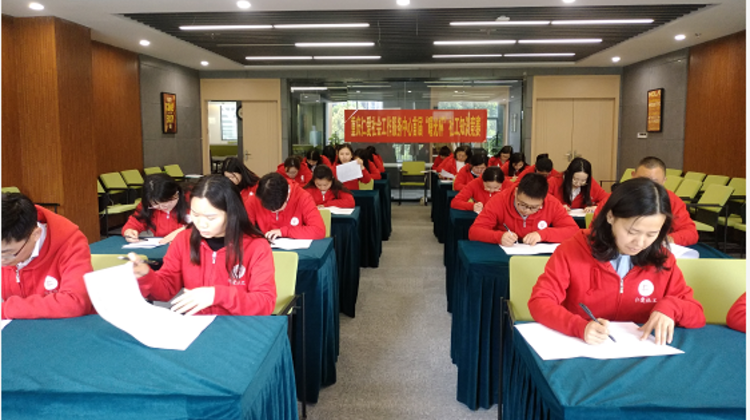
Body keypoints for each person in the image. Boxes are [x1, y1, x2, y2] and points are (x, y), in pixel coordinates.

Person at [528, 178, 706, 345]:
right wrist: (578, 326)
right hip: (584, 348)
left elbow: (697, 315)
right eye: (632, 232)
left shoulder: (662, 257)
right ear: (611, 217)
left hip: (640, 351)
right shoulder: (574, 249)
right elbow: (540, 301)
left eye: (652, 234)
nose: (640, 243)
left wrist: (671, 308)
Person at [129, 175, 276, 316]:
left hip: (240, 326)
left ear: (232, 214)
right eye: (195, 215)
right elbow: (165, 290)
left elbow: (265, 303)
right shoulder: (183, 240)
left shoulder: (256, 246)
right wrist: (146, 276)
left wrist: (216, 295)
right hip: (197, 325)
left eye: (211, 218)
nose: (201, 224)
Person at [1, 193, 93, 319]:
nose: (2, 261)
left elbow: (76, 302)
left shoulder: (70, 243)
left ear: (35, 235)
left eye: (8, 254)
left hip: (66, 326)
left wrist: (6, 309)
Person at [594, 156, 699, 246]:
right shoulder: (615, 197)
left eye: (654, 183)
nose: (647, 186)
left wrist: (667, 239)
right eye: (641, 180)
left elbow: (690, 233)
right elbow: (596, 229)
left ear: (664, 181)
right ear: (633, 176)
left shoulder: (672, 201)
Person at [468, 173, 579, 246]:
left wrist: (542, 235)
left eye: (534, 207)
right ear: (516, 192)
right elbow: (474, 231)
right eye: (522, 204)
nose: (527, 211)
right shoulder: (499, 201)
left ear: (544, 199)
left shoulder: (552, 203)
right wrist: (499, 237)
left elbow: (573, 231)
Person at [245, 172, 326, 240]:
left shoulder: (302, 197)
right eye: (269, 208)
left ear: (287, 195)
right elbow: (244, 231)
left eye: (278, 208)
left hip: (295, 250)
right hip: (266, 249)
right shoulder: (255, 198)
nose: (273, 212)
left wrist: (284, 232)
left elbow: (319, 230)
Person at [122, 173, 190, 244]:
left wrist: (183, 232)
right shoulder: (148, 205)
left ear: (177, 192)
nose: (162, 207)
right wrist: (129, 231)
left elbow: (197, 227)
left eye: (167, 202)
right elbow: (135, 222)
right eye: (155, 204)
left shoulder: (192, 200)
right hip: (162, 245)